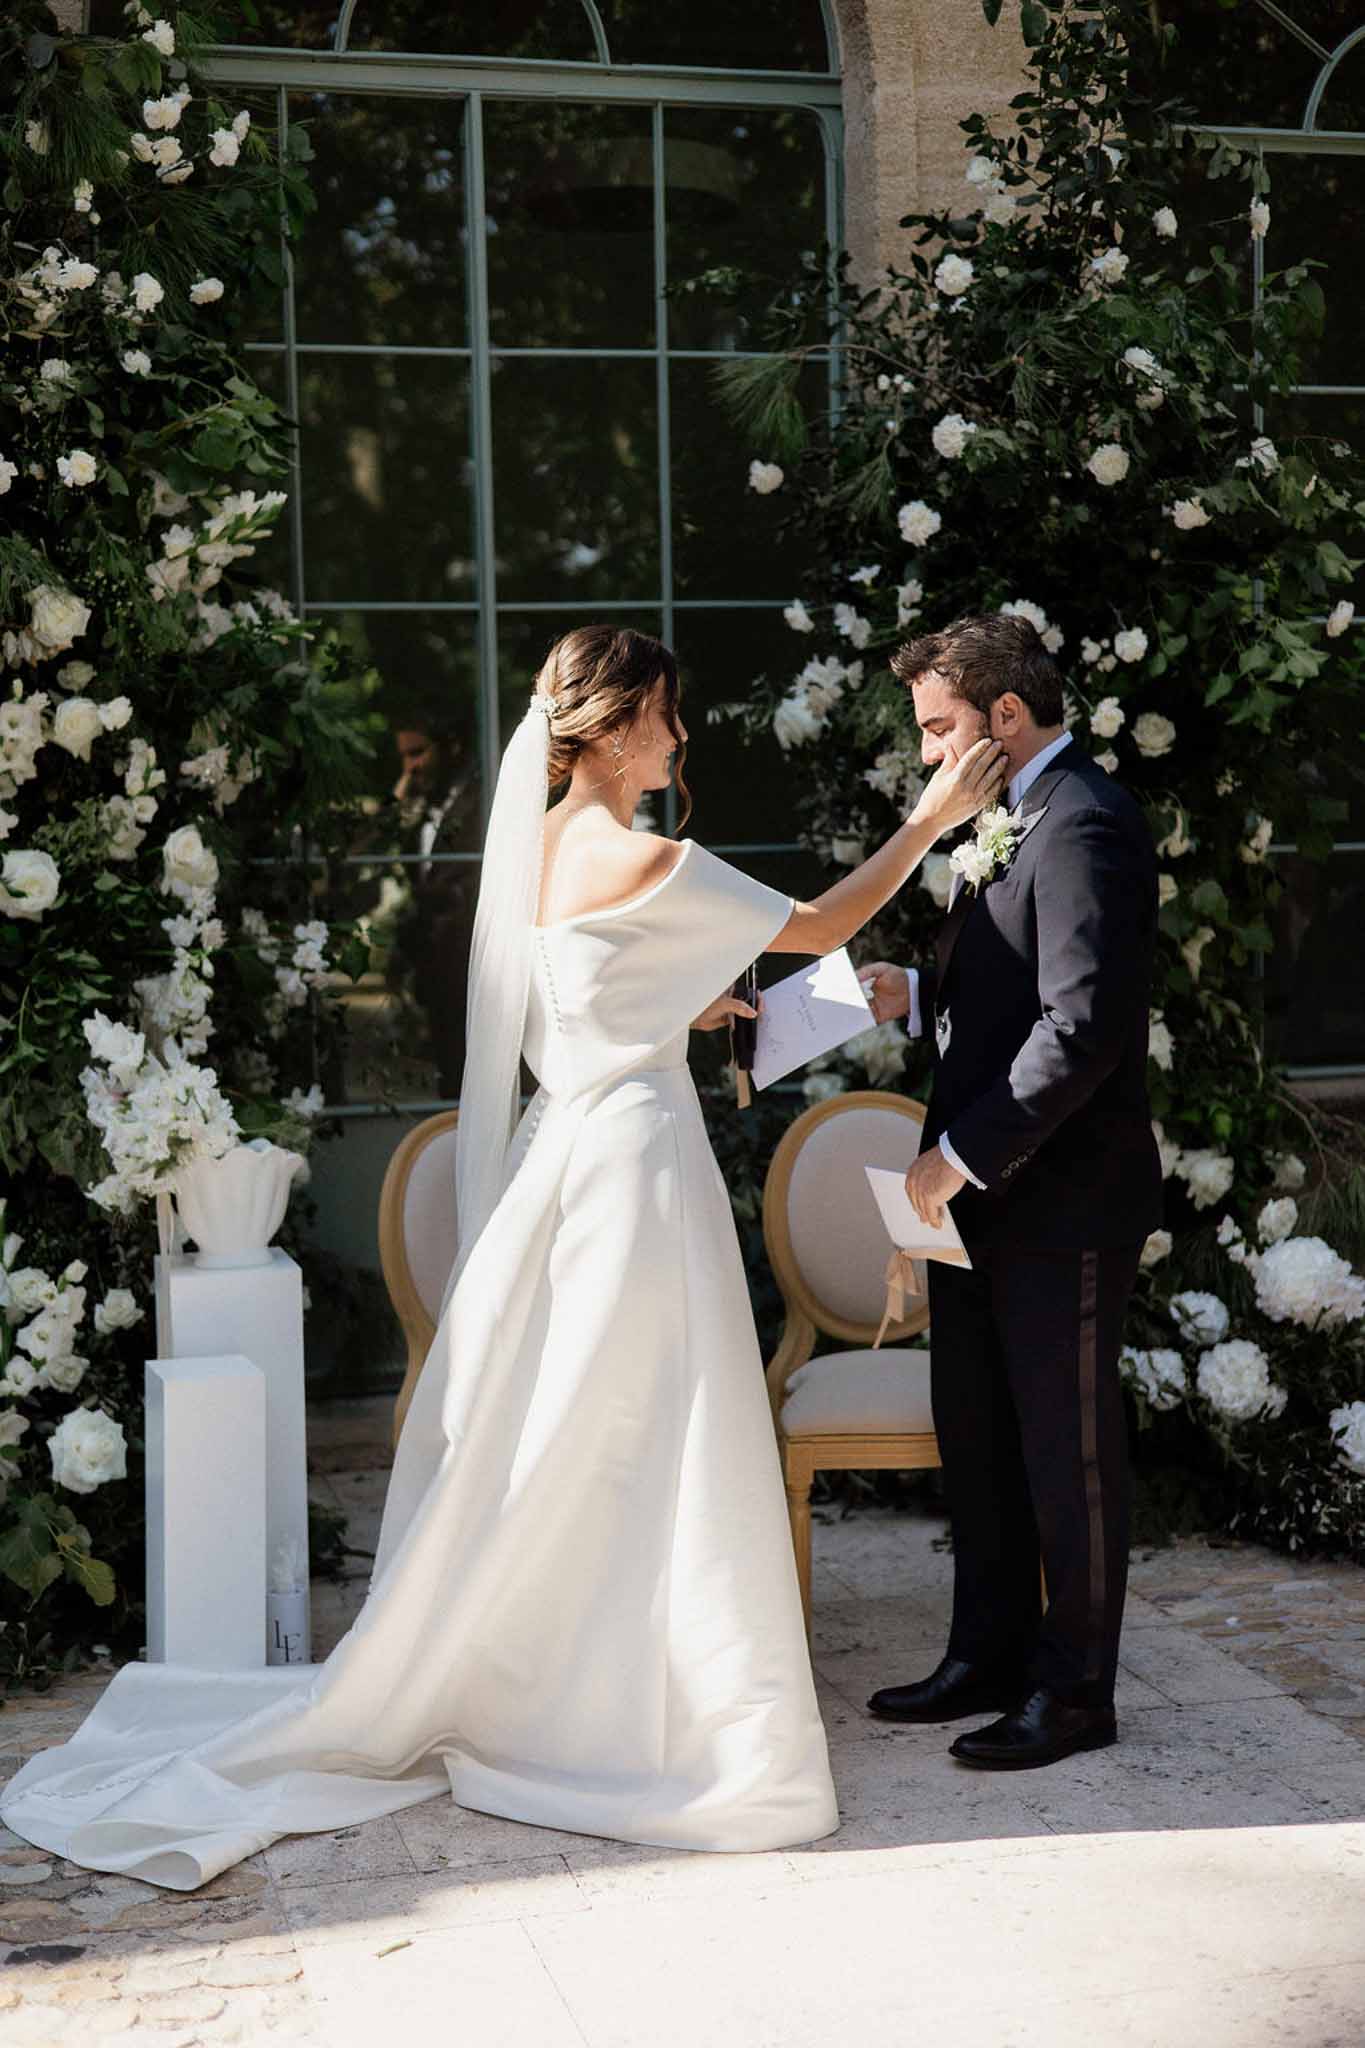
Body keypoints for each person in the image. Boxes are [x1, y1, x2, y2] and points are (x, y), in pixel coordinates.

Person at [0, 623, 1004, 1890]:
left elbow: (581, 991)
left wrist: (681, 1002)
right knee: (654, 1430)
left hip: (566, 1152)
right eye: (667, 713)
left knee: (582, 1431)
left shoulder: (534, 848)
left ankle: (562, 1673)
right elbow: (822, 922)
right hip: (636, 1171)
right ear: (618, 725)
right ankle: (639, 1705)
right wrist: (928, 818)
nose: (681, 735)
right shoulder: (645, 851)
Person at [859, 612, 1163, 1771]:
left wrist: (956, 1156)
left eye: (939, 728)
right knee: (979, 1437)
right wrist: (915, 991)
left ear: (1005, 713)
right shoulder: (1011, 815)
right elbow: (1010, 992)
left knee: (1064, 1455)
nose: (929, 752)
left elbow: (1080, 1028)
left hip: (1061, 1200)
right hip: (983, 1200)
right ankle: (984, 1656)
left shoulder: (1084, 818)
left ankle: (1076, 1692)